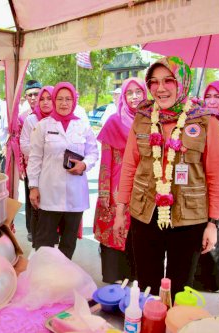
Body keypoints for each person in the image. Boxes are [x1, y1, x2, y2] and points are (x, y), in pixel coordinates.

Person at [114, 56, 219, 298]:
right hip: (145, 212)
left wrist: (212, 224)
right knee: (146, 286)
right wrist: (121, 210)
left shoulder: (205, 120)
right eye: (153, 82)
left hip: (189, 218)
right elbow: (130, 165)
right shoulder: (142, 117)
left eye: (168, 80)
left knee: (180, 288)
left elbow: (216, 174)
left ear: (182, 82)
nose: (160, 88)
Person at [27, 82, 98, 259]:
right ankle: (44, 275)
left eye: (68, 99)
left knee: (68, 242)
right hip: (49, 193)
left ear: (74, 101)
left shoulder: (83, 126)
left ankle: (63, 277)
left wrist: (84, 165)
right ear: (54, 100)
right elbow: (35, 158)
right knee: (44, 241)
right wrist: (33, 187)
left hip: (75, 194)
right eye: (59, 99)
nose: (64, 103)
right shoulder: (43, 126)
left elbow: (93, 152)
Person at [94, 77, 147, 283]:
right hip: (116, 189)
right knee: (114, 232)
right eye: (129, 93)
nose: (134, 97)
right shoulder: (114, 122)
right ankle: (114, 281)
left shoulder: (151, 121)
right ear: (123, 97)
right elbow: (106, 162)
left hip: (143, 188)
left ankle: (135, 280)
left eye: (138, 92)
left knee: (137, 236)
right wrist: (104, 191)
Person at [193, 80, 219, 292]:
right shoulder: (197, 122)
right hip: (199, 188)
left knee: (217, 235)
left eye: (217, 97)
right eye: (208, 96)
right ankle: (198, 279)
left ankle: (214, 281)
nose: (211, 101)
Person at [20, 85, 54, 244]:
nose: (44, 102)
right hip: (34, 170)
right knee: (35, 205)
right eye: (42, 99)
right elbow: (24, 145)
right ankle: (36, 239)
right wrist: (44, 154)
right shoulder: (30, 119)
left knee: (51, 206)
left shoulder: (60, 119)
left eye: (49, 98)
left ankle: (51, 238)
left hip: (55, 173)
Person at [18, 79, 42, 241]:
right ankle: (31, 230)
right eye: (30, 95)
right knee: (30, 197)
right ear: (25, 98)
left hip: (47, 167)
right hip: (29, 166)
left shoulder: (49, 114)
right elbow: (19, 143)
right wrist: (20, 167)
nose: (33, 98)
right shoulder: (22, 118)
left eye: (36, 94)